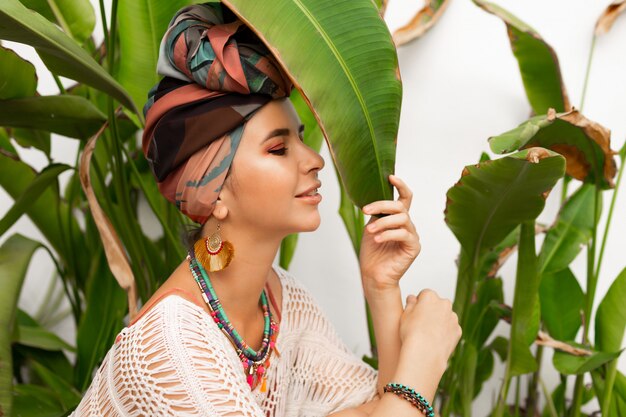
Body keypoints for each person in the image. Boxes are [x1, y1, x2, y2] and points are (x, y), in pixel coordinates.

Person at [71, 2, 461, 416]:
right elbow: (400, 404)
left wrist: (380, 288)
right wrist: (422, 363)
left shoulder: (280, 303)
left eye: (301, 137)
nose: (314, 160)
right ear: (212, 190)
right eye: (278, 148)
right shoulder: (171, 348)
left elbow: (376, 408)